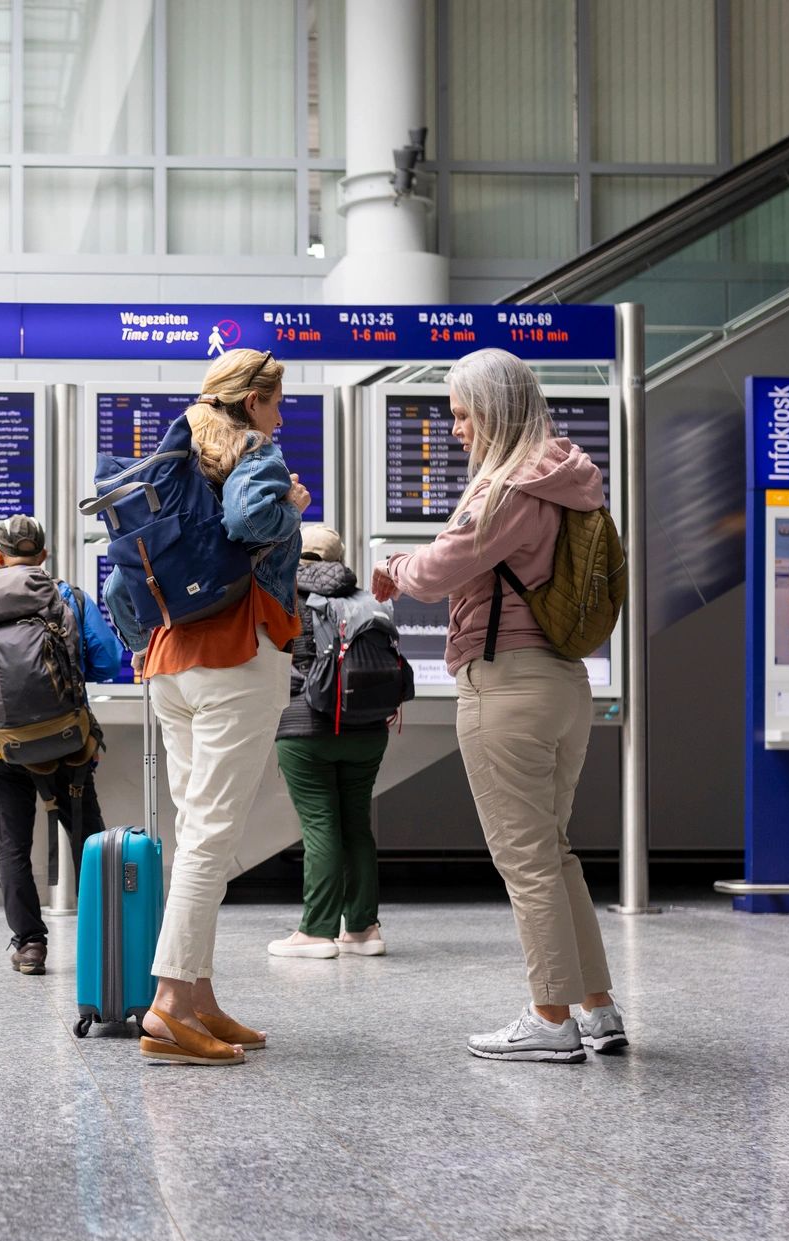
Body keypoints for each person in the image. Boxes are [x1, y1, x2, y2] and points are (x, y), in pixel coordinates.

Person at [370, 347, 625, 1064]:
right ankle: (597, 1009)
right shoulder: (572, 478)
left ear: (496, 410)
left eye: (461, 415)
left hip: (506, 686)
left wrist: (392, 568)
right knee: (554, 851)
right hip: (563, 683)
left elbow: (437, 568)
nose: (455, 430)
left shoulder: (510, 487)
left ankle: (550, 1017)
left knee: (527, 861)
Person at [104, 349, 307, 1066]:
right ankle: (166, 1007)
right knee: (211, 839)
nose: (281, 416)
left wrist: (144, 642)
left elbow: (116, 588)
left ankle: (198, 996)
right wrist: (292, 508)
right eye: (277, 402)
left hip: (169, 667)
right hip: (236, 660)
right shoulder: (256, 455)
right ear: (251, 401)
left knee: (197, 832)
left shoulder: (167, 461)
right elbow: (253, 521)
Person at [0, 514, 124, 975]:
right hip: (68, 743)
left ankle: (30, 945)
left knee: (13, 846)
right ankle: (109, 938)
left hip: (2, 746)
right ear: (42, 556)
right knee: (88, 839)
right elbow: (109, 661)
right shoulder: (70, 599)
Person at [270, 524, 391, 960]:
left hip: (305, 728)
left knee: (321, 824)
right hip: (368, 728)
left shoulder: (283, 595)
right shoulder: (365, 600)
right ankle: (363, 930)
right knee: (356, 824)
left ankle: (316, 932)